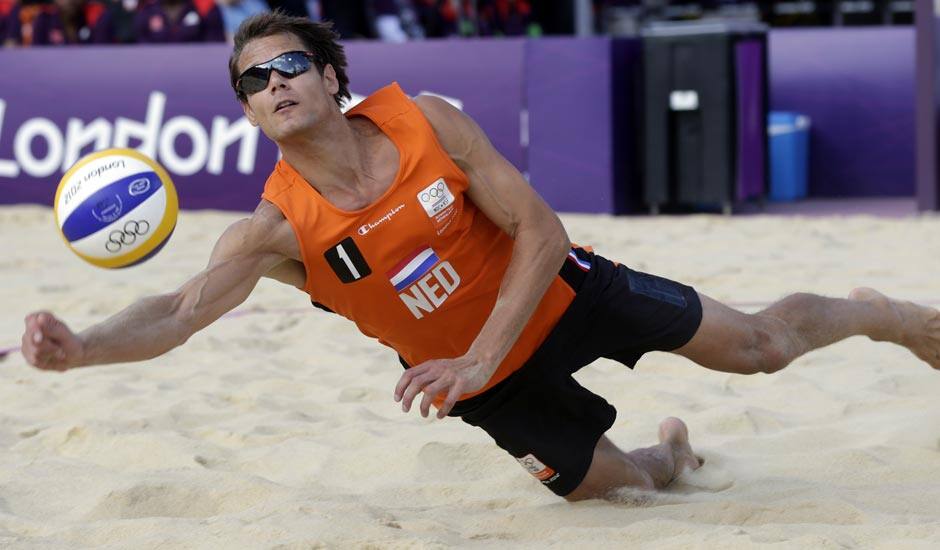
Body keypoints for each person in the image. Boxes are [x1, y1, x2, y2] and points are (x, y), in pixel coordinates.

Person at [21, 11, 940, 502]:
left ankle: (883, 313)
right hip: (484, 381)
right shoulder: (273, 229)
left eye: (288, 64)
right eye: (253, 82)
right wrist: (84, 348)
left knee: (761, 349)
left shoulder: (425, 118)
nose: (273, 83)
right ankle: (672, 452)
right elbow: (178, 315)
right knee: (621, 493)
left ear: (329, 76)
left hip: (561, 298)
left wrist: (479, 354)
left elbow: (538, 229)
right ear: (251, 115)